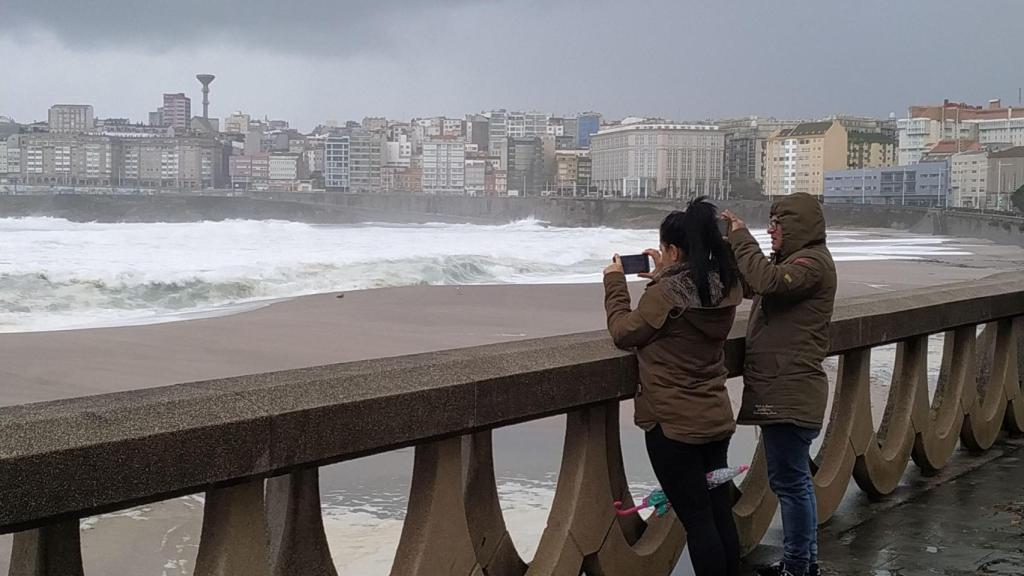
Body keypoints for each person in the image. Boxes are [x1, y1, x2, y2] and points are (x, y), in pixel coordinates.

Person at [603, 197, 743, 576]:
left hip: (673, 427)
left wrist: (615, 282)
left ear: (674, 250)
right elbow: (686, 300)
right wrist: (666, 275)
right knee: (718, 514)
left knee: (697, 521)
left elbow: (624, 332)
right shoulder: (722, 286)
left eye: (664, 248)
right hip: (714, 419)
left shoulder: (665, 295)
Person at [720, 194, 837, 576]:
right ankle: (801, 562)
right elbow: (753, 283)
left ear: (797, 226)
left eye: (776, 224)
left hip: (791, 389)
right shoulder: (799, 263)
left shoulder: (811, 264)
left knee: (791, 484)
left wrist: (742, 239)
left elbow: (766, 282)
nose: (770, 231)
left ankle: (799, 568)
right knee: (792, 481)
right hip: (786, 388)